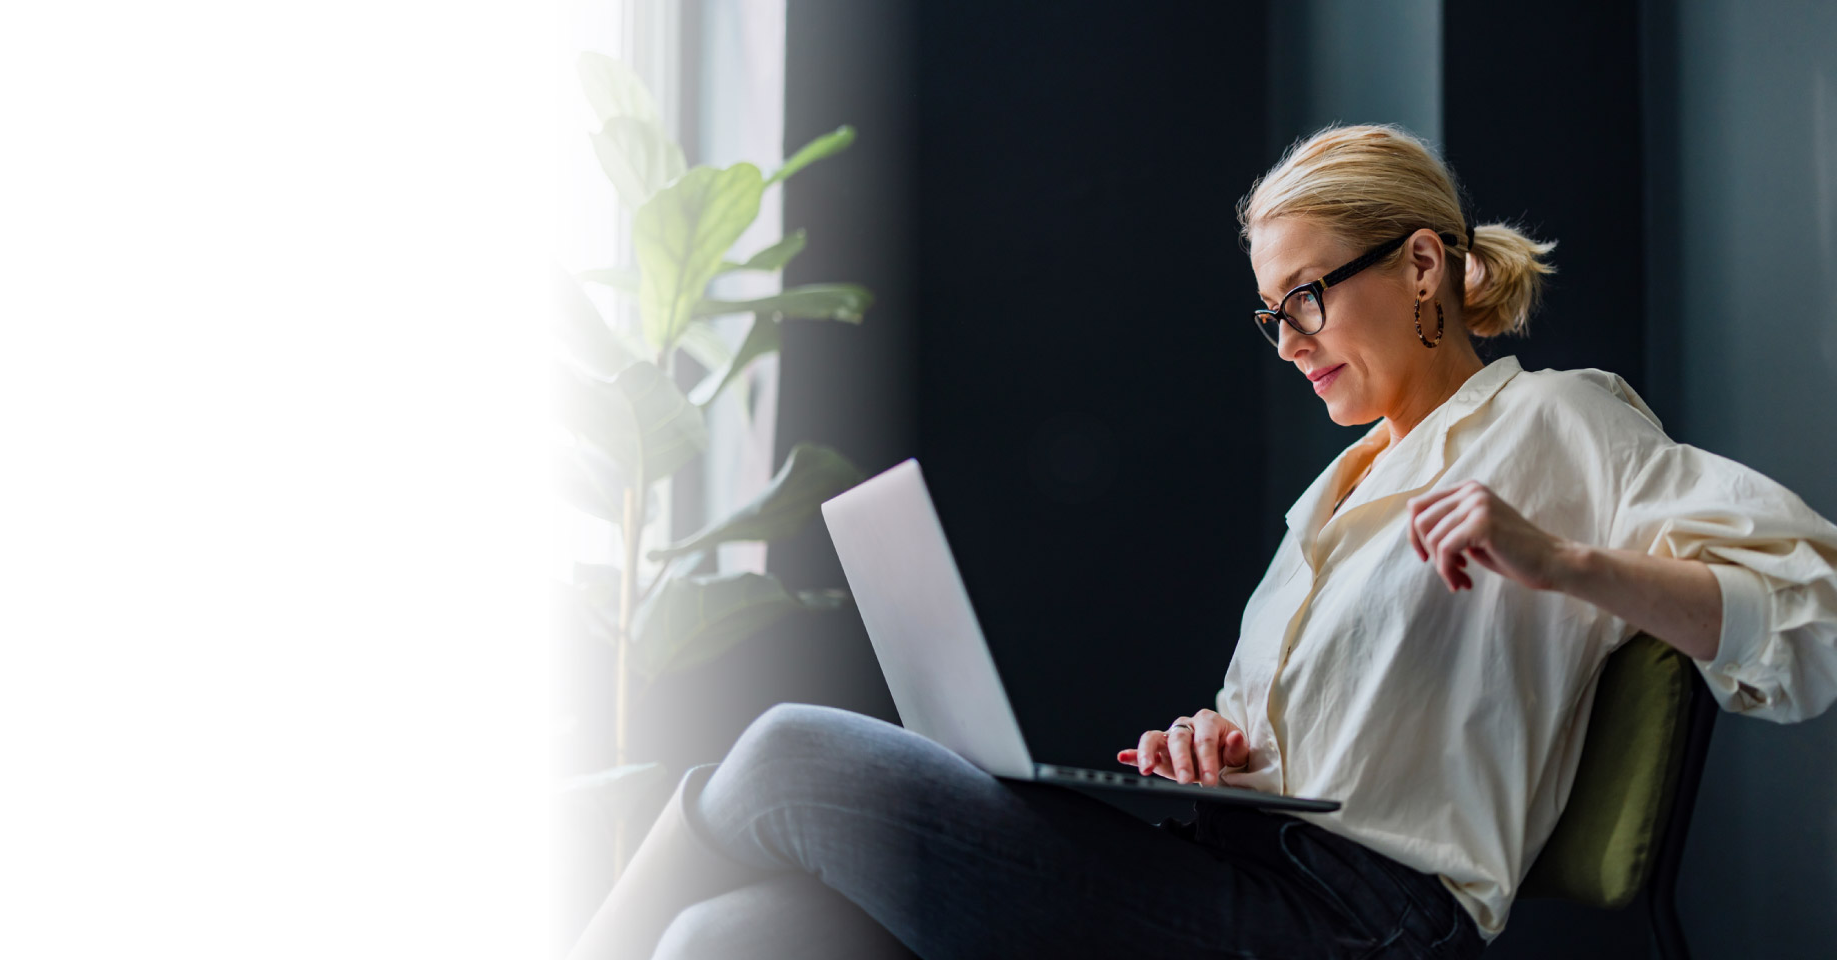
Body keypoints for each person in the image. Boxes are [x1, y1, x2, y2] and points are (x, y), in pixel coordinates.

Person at [567, 122, 1837, 960]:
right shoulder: (1332, 497)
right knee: (730, 937)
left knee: (791, 751)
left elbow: (1813, 612)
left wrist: (1566, 565)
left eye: (1308, 298)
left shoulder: (1561, 424)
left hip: (1362, 923)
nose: (1289, 342)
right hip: (1245, 867)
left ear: (1426, 267)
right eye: (1269, 314)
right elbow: (1301, 743)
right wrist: (1216, 754)